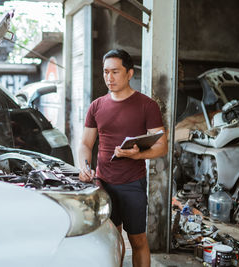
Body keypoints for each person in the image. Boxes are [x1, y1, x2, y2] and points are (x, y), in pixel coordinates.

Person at [78, 49, 168, 267]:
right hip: (103, 182)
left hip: (132, 184)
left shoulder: (147, 105)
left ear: (129, 73)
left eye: (115, 72)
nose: (109, 78)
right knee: (113, 239)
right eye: (106, 72)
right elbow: (85, 144)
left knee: (137, 240)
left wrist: (139, 154)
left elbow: (162, 146)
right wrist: (84, 167)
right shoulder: (97, 106)